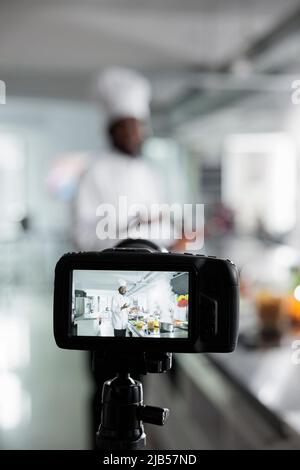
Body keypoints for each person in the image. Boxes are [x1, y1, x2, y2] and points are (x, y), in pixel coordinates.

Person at [73, 66, 183, 251]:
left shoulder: (149, 173)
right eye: (124, 128)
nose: (132, 135)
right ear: (110, 131)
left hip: (154, 274)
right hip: (112, 275)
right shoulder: (94, 172)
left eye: (136, 127)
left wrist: (176, 238)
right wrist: (134, 225)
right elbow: (81, 237)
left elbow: (160, 231)